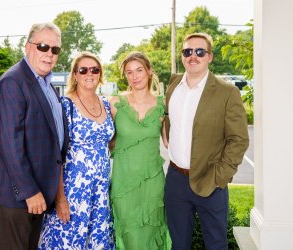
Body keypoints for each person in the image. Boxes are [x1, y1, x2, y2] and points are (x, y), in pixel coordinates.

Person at [0, 22, 69, 249]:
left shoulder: (47, 85)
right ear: (28, 47)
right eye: (43, 46)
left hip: (38, 193)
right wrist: (30, 191)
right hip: (16, 195)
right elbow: (9, 144)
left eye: (55, 49)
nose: (49, 54)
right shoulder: (13, 82)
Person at [164, 32, 249, 249]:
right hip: (175, 180)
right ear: (182, 56)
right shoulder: (173, 84)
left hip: (211, 180)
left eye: (200, 51)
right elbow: (168, 117)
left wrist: (220, 177)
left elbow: (238, 139)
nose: (193, 56)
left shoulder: (227, 92)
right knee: (178, 244)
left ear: (209, 57)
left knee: (216, 244)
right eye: (187, 51)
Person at [38, 51, 115, 249]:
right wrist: (60, 199)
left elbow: (112, 142)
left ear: (100, 73)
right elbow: (55, 155)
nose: (89, 74)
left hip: (100, 192)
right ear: (74, 74)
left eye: (94, 69)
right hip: (73, 192)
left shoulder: (106, 104)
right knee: (69, 242)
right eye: (83, 70)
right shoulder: (64, 105)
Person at [110, 51, 169, 249]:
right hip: (123, 183)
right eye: (129, 72)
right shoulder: (115, 104)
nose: (134, 76)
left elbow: (171, 143)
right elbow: (105, 140)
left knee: (152, 232)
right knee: (129, 236)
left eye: (139, 70)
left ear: (149, 71)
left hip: (153, 182)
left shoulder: (162, 104)